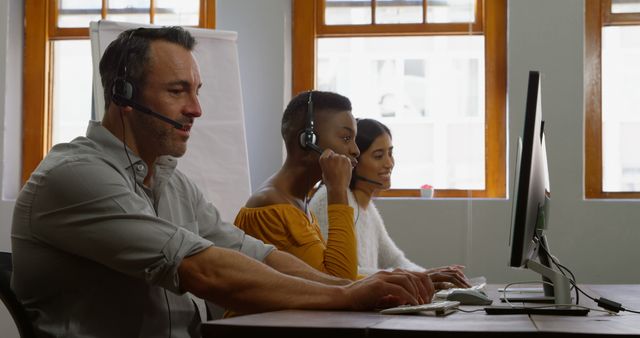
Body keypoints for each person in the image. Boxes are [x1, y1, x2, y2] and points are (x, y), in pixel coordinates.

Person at [11, 27, 433, 338]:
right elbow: (202, 269)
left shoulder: (172, 183)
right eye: (178, 91)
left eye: (196, 91)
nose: (196, 108)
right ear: (123, 96)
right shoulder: (76, 176)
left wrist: (357, 287)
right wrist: (346, 296)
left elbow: (256, 254)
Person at [309, 118, 470, 289]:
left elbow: (395, 260)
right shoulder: (330, 198)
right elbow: (342, 274)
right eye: (378, 156)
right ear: (353, 161)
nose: (389, 163)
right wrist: (423, 277)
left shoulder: (367, 208)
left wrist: (437, 279)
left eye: (390, 153)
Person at [234, 91, 365, 281]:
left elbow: (333, 280)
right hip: (261, 313)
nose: (355, 150)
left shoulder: (297, 204)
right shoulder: (270, 205)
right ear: (307, 140)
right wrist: (337, 190)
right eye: (346, 138)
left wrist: (388, 280)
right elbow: (339, 282)